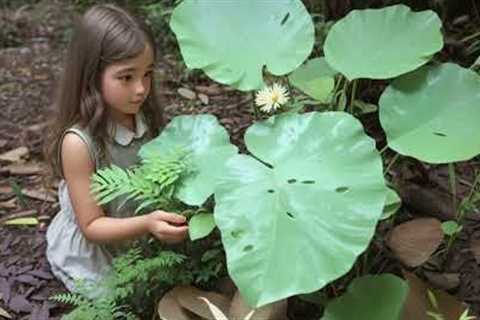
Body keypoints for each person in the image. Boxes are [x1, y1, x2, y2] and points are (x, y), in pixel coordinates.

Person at [43, 4, 188, 293]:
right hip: (99, 244)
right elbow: (92, 226)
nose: (141, 89)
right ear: (92, 75)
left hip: (144, 231)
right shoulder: (79, 143)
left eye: (147, 74)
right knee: (120, 299)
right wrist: (147, 223)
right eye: (126, 77)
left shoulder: (144, 117)